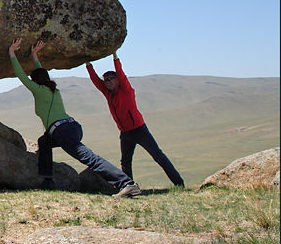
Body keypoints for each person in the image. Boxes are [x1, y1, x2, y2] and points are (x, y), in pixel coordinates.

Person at [9, 38, 141, 197]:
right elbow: (41, 73)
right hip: (72, 127)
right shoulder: (52, 89)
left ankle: (126, 183)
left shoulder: (38, 90)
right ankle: (47, 181)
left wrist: (11, 53)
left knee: (89, 158)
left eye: (33, 79)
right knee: (44, 142)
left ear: (36, 81)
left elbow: (21, 75)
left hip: (62, 131)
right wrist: (34, 55)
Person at [86, 53, 185, 188]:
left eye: (110, 79)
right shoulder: (108, 93)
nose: (107, 81)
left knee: (158, 155)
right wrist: (88, 64)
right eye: (106, 80)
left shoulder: (126, 90)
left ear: (117, 80)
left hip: (139, 130)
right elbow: (96, 81)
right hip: (125, 133)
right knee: (125, 161)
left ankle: (179, 183)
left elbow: (121, 74)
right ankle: (128, 186)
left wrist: (115, 57)